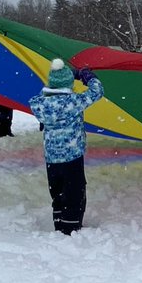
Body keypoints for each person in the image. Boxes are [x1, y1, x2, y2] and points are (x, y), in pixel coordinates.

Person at [28, 58, 105, 235]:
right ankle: (70, 227)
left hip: (52, 157)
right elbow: (97, 91)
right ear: (68, 85)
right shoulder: (72, 102)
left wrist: (57, 81)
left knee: (57, 191)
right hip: (72, 156)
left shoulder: (40, 104)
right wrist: (87, 76)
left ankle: (59, 221)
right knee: (74, 192)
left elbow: (43, 95)